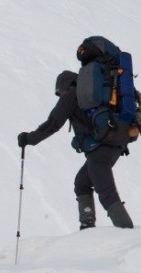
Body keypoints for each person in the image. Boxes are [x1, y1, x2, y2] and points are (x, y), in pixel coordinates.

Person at [17, 69, 134, 230]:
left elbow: (54, 123)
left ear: (66, 85)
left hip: (100, 150)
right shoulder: (94, 95)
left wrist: (29, 138)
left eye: (59, 91)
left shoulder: (72, 94)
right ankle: (87, 227)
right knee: (82, 183)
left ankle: (126, 231)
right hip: (114, 146)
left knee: (106, 192)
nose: (60, 95)